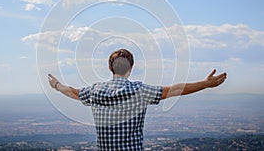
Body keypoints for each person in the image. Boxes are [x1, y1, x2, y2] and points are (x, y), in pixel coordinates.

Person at [48, 49, 227, 151]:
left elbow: (73, 92)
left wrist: (56, 85)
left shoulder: (95, 91)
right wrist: (205, 84)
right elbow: (176, 89)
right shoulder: (140, 91)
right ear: (131, 67)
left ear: (110, 67)